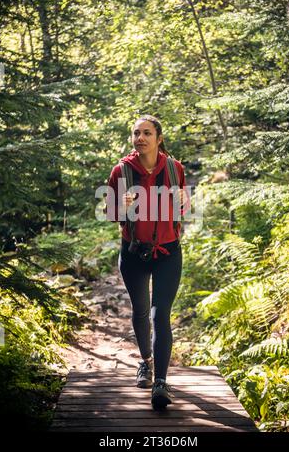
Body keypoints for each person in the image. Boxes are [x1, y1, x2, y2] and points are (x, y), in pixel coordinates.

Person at [105, 114, 190, 409]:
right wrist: (119, 205)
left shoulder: (174, 167)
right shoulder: (121, 171)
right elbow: (111, 214)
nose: (140, 138)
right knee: (141, 311)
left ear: (159, 138)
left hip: (168, 252)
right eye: (136, 133)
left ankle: (161, 383)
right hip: (134, 253)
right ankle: (145, 361)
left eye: (146, 133)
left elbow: (183, 208)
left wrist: (183, 201)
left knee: (159, 314)